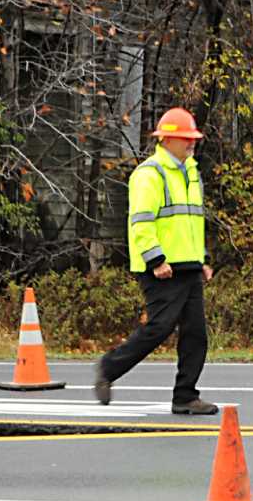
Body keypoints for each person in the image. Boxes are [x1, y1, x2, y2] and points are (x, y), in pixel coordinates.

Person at [92, 108, 219, 416]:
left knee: (196, 334)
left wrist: (201, 259)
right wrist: (156, 259)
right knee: (159, 328)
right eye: (186, 139)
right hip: (162, 269)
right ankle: (109, 368)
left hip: (187, 265)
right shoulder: (149, 174)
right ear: (168, 139)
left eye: (193, 139)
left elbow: (192, 221)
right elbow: (142, 223)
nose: (192, 145)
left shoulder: (190, 171)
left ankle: (185, 396)